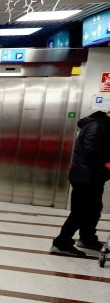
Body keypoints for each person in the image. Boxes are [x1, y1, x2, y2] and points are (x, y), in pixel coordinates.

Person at [50, 108, 110, 256]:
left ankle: (87, 238)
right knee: (80, 211)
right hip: (86, 177)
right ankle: (61, 243)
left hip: (93, 176)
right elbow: (93, 154)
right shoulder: (97, 126)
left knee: (94, 209)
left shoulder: (102, 125)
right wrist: (108, 167)